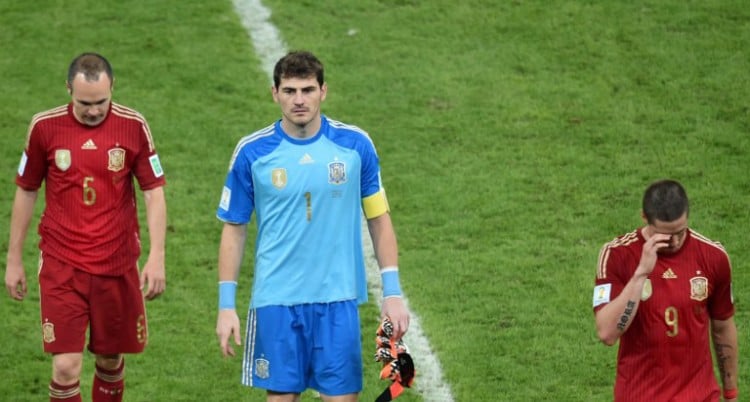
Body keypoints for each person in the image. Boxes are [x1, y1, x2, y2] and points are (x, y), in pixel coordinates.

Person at [215, 50, 410, 402]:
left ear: (324, 91)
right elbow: (234, 227)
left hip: (337, 299)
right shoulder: (252, 152)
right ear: (274, 93)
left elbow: (379, 219)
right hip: (276, 300)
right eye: (289, 91)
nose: (299, 100)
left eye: (307, 89)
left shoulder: (355, 146)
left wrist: (392, 293)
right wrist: (226, 305)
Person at [4, 52, 167, 402]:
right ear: (68, 90)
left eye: (101, 102)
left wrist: (157, 256)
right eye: (84, 103)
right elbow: (27, 190)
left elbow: (153, 191)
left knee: (110, 360)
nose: (93, 111)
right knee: (65, 367)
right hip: (62, 263)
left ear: (113, 89)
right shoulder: (44, 128)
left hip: (117, 263)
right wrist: (13, 258)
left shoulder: (133, 125)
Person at [593, 179, 739, 401]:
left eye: (680, 232)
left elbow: (722, 327)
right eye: (664, 234)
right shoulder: (617, 255)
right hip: (640, 396)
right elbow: (608, 333)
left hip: (699, 396)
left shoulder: (713, 256)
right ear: (645, 217)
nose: (674, 241)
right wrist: (641, 273)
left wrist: (731, 392)